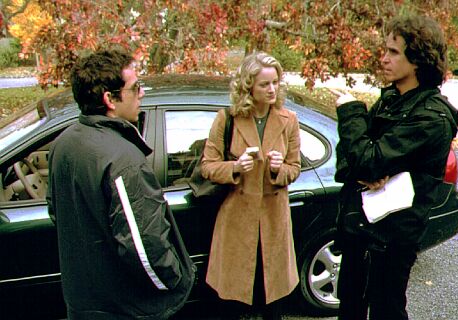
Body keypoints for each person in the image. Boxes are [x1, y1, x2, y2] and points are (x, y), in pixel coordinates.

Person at [47, 49, 195, 320]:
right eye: (135, 87)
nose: (142, 94)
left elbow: (56, 211)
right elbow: (143, 248)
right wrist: (174, 281)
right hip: (124, 308)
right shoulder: (124, 160)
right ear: (110, 99)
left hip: (81, 302)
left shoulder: (63, 143)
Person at [333, 15, 458, 320]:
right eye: (385, 50)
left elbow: (366, 156)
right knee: (349, 308)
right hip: (361, 228)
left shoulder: (432, 116)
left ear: (417, 60)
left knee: (386, 311)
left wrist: (350, 112)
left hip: (392, 240)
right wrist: (368, 167)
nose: (384, 58)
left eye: (393, 52)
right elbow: (351, 156)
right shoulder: (391, 99)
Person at [201, 52, 301, 320]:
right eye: (264, 84)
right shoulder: (227, 118)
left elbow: (295, 168)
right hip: (236, 222)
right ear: (248, 87)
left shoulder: (288, 119)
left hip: (273, 223)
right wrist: (235, 167)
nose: (272, 90)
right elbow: (207, 166)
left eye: (275, 83)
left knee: (272, 302)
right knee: (233, 302)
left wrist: (280, 170)